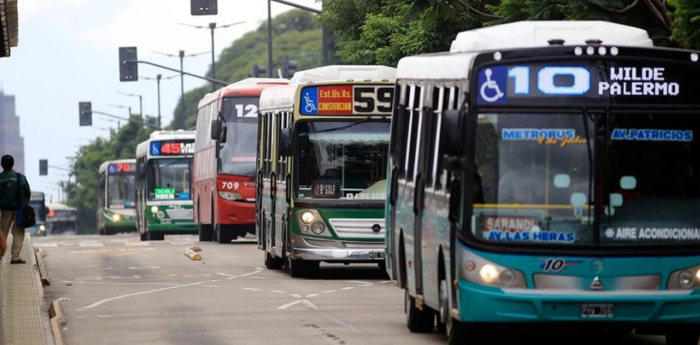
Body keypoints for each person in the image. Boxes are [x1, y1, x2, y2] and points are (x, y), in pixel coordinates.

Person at [0, 155, 31, 264]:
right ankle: (15, 256)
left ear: (2, 165)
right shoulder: (20, 177)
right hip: (19, 210)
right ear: (13, 164)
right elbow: (27, 192)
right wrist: (24, 203)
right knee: (18, 232)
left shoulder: (1, 178)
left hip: (5, 211)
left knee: (2, 232)